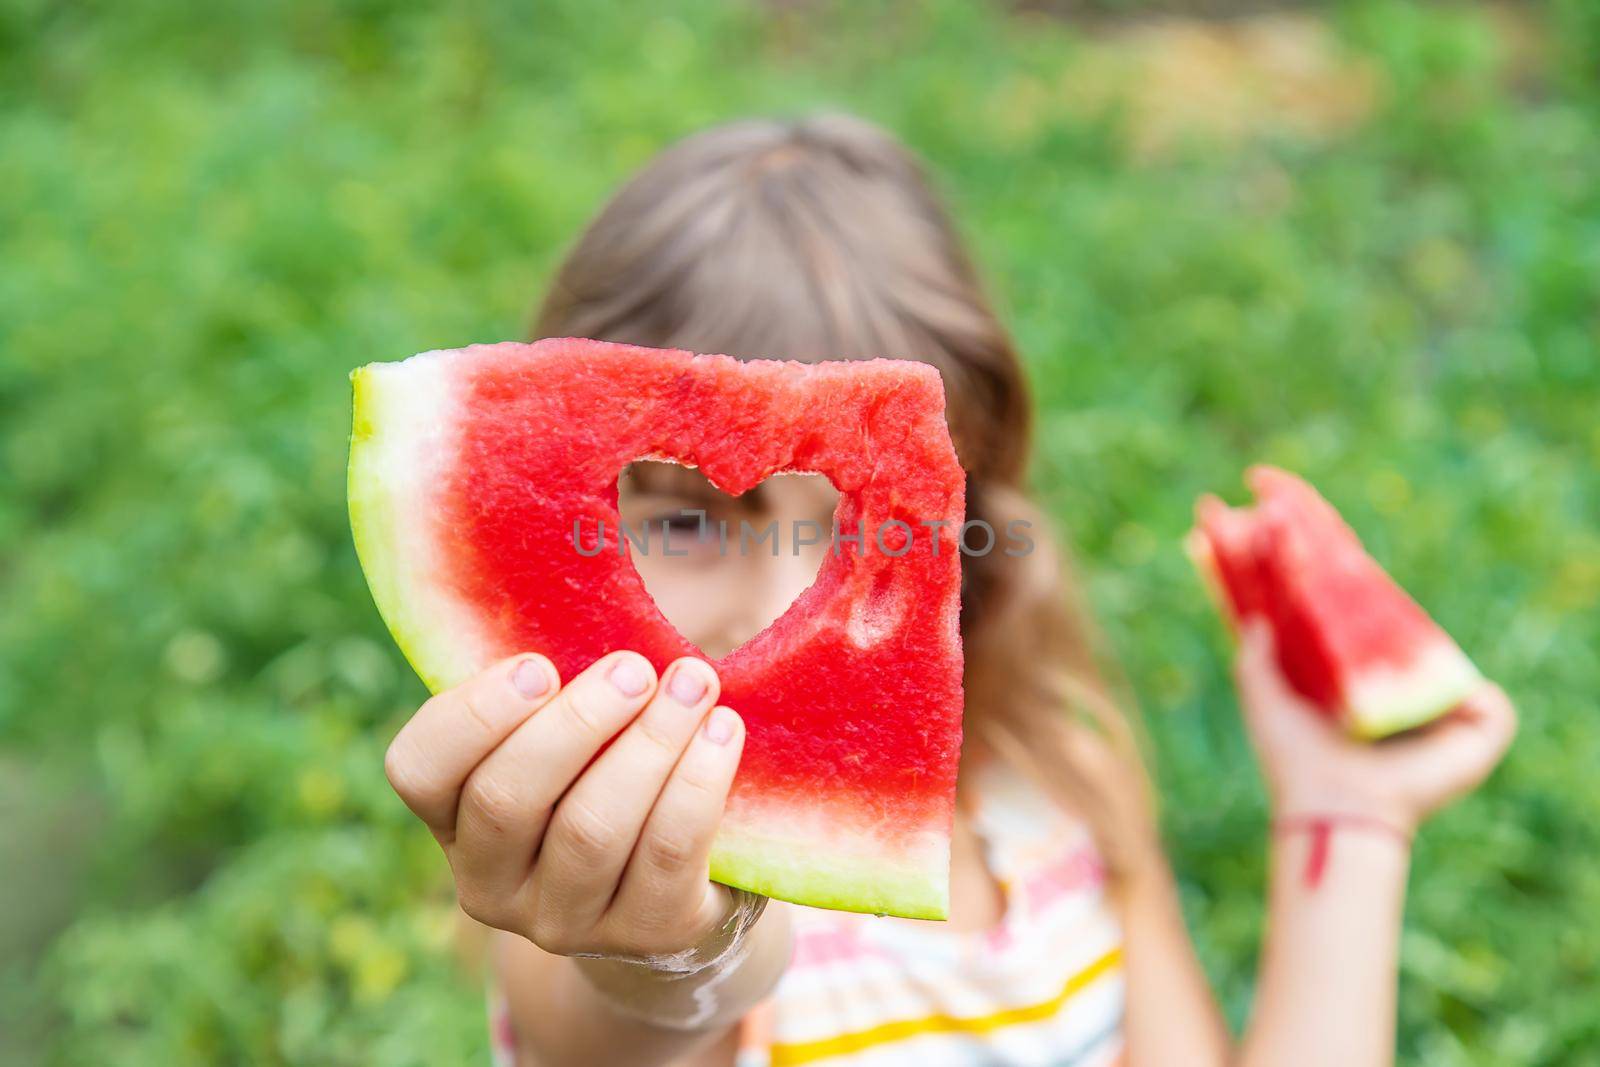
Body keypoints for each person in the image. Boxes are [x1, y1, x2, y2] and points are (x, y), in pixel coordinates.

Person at [380, 114, 1517, 1067]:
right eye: (687, 517)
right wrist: (675, 946)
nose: (779, 595)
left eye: (868, 526)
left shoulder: (1062, 773)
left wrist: (1347, 815)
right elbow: (637, 1012)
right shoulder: (586, 881)